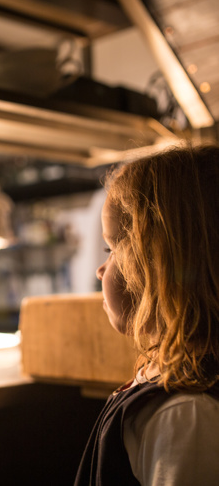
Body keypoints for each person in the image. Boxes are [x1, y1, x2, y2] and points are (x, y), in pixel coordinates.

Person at [74, 143, 219, 485]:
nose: (100, 269)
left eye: (113, 248)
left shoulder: (186, 415)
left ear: (162, 265)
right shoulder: (166, 387)